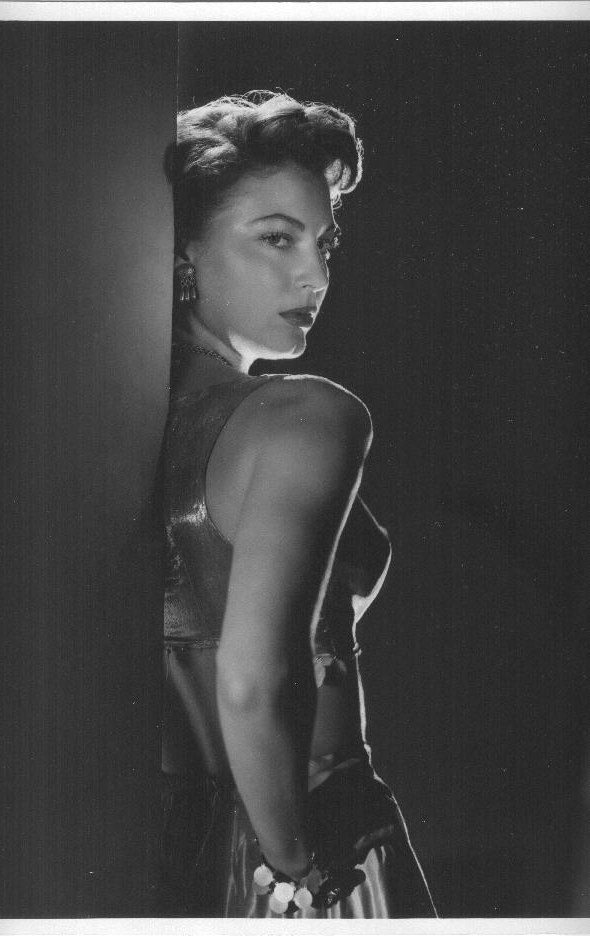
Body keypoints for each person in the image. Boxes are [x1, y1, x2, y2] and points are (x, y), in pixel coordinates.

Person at [158, 91, 437, 918]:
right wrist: (297, 872)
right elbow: (255, 679)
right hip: (313, 844)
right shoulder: (308, 416)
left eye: (324, 242)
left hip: (177, 845)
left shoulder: (133, 428)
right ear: (185, 251)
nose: (314, 274)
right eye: (277, 238)